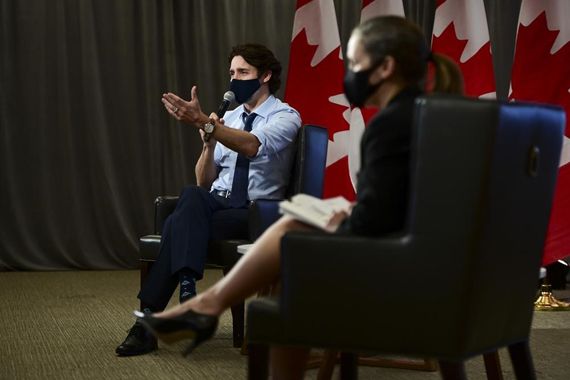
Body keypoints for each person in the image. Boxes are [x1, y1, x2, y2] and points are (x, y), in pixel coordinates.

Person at [135, 15, 463, 376]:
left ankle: (200, 306)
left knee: (287, 234)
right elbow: (405, 203)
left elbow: (384, 216)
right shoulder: (432, 115)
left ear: (385, 66)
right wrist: (211, 139)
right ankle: (198, 303)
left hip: (394, 252)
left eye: (356, 63)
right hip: (442, 258)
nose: (349, 73)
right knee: (192, 203)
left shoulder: (385, 125)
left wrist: (206, 124)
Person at [115, 43, 301, 356]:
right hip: (217, 202)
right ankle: (188, 292)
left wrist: (206, 123)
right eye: (231, 73)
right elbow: (205, 180)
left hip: (254, 210)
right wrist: (209, 144)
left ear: (266, 75)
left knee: (176, 223)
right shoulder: (228, 117)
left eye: (243, 72)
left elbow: (253, 146)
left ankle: (147, 323)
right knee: (192, 194)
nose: (234, 80)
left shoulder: (286, 116)